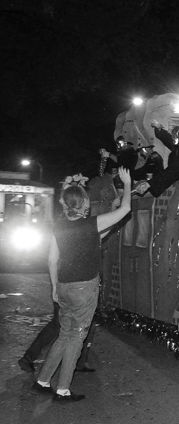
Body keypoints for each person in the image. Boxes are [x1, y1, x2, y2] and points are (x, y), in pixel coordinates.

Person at [30, 168, 133, 402]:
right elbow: (126, 210)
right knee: (77, 337)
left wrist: (54, 287)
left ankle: (43, 381)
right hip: (84, 288)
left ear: (65, 204)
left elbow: (52, 259)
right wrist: (127, 184)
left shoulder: (60, 227)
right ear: (84, 203)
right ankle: (63, 389)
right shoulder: (91, 224)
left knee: (64, 335)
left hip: (64, 285)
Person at [18, 303, 95, 373]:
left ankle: (79, 361)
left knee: (85, 324)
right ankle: (30, 360)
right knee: (58, 326)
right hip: (75, 296)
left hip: (72, 295)